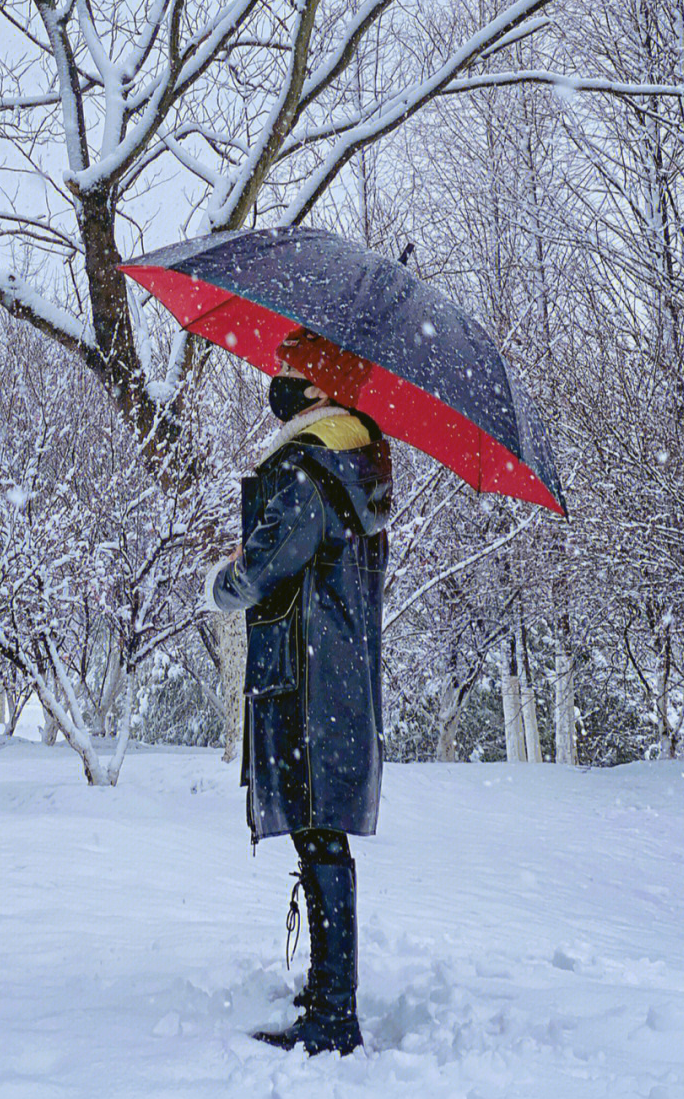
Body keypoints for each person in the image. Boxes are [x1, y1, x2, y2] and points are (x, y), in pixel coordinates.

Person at [202, 329, 392, 1057]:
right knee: (322, 837)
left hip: (311, 681)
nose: (275, 379)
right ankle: (327, 991)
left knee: (320, 839)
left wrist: (222, 582)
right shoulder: (348, 465)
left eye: (288, 370)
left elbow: (266, 564)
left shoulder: (311, 470)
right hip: (333, 674)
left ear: (318, 391)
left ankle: (335, 1014)